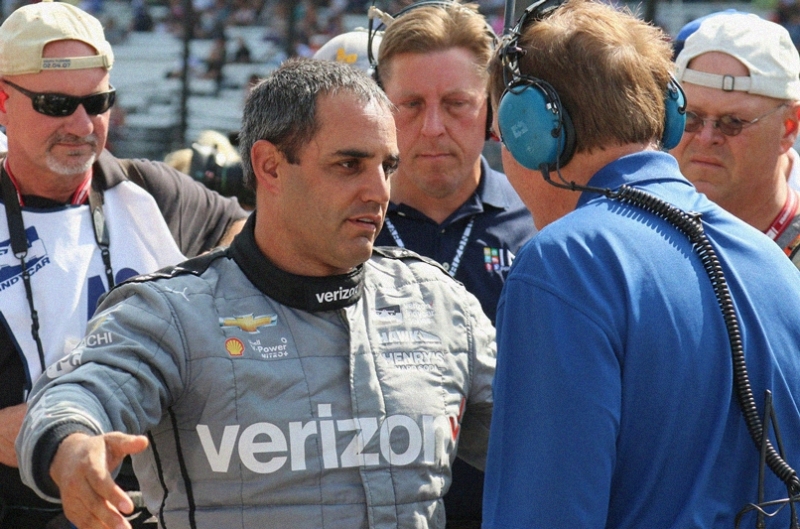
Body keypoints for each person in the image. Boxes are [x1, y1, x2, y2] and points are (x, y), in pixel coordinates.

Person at [17, 58, 496, 529]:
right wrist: (73, 448)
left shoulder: (438, 303)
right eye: (349, 164)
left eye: (387, 166)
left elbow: (533, 439)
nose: (379, 191)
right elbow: (74, 396)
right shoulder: (174, 313)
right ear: (269, 166)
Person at [482, 0, 800, 528]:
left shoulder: (565, 264)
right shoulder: (776, 265)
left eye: (500, 133)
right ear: (669, 112)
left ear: (529, 130)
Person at [0, 1, 248, 527]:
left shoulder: (149, 191)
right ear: (2, 101)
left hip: (158, 504)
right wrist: (46, 438)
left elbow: (245, 229)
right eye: (54, 104)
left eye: (98, 101)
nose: (81, 124)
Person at [371, 3, 535, 526]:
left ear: (492, 109)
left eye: (457, 104)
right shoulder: (339, 225)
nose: (433, 127)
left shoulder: (540, 222)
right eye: (410, 104)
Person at [670, 12, 800, 263]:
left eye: (732, 122)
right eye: (691, 117)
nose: (706, 137)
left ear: (788, 128)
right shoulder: (631, 231)